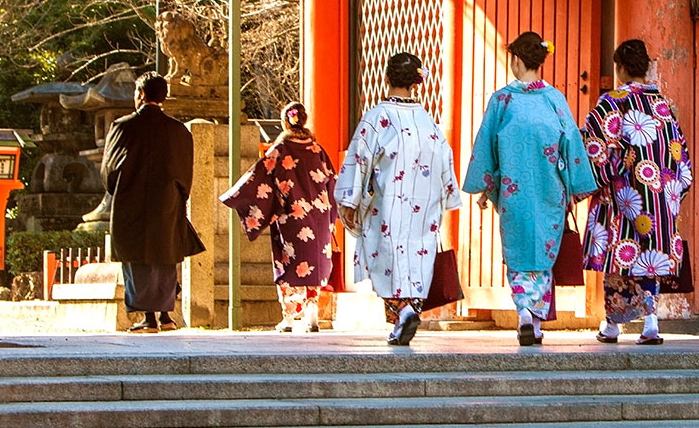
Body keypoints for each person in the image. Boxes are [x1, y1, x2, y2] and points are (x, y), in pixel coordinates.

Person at [462, 32, 598, 346]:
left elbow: (487, 146)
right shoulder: (555, 100)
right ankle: (535, 323)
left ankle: (524, 311)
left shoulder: (502, 100)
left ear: (516, 59)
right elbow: (571, 144)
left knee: (519, 250)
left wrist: (487, 185)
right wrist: (575, 185)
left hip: (514, 190)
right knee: (543, 251)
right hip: (550, 188)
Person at [335, 53, 460, 346]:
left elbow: (360, 157)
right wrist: (448, 195)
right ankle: (409, 312)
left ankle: (401, 313)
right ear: (416, 82)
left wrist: (350, 200)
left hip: (388, 202)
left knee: (387, 260)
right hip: (424, 206)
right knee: (417, 260)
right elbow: (445, 160)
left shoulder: (378, 116)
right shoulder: (427, 120)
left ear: (387, 78)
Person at [581, 39, 693, 346]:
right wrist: (670, 193)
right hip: (659, 195)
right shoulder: (663, 107)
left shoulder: (611, 103)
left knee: (621, 256)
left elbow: (597, 152)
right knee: (650, 257)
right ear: (646, 67)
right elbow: (681, 158)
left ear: (620, 68)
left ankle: (613, 325)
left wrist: (582, 182)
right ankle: (651, 322)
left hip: (624, 196)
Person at [220, 102, 338, 333]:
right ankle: (312, 310)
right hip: (319, 216)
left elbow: (259, 178)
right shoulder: (318, 150)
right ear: (304, 121)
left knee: (290, 263)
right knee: (313, 262)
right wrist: (331, 215)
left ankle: (291, 317)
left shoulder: (280, 149)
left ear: (285, 122)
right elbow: (332, 183)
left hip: (292, 214)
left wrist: (236, 196)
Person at [104, 71, 205, 333]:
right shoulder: (178, 131)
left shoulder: (123, 127)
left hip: (131, 202)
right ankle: (166, 317)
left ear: (139, 95)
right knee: (164, 257)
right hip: (167, 202)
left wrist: (117, 189)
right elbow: (185, 174)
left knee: (138, 260)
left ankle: (148, 318)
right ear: (164, 97)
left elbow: (110, 171)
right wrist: (177, 196)